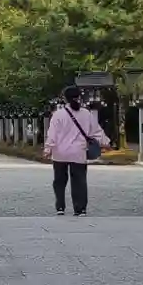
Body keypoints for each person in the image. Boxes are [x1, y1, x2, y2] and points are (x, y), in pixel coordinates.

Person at [44, 85, 109, 216]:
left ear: (65, 99)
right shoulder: (86, 114)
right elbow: (96, 131)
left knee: (59, 181)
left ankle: (60, 207)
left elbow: (52, 133)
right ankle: (80, 209)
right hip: (78, 153)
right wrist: (106, 142)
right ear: (79, 97)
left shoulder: (58, 115)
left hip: (60, 153)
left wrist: (48, 148)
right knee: (79, 181)